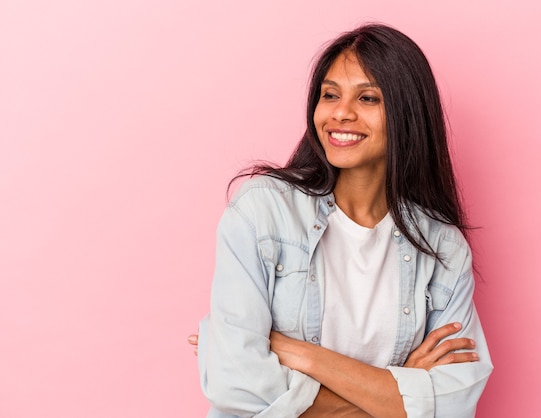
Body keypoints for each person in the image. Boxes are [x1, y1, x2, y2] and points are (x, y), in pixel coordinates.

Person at [189, 23, 493, 417]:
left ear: (407, 113)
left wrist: (302, 355)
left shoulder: (442, 248)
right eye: (330, 94)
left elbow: (453, 405)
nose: (340, 113)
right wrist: (398, 393)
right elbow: (236, 383)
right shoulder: (263, 213)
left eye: (367, 98)